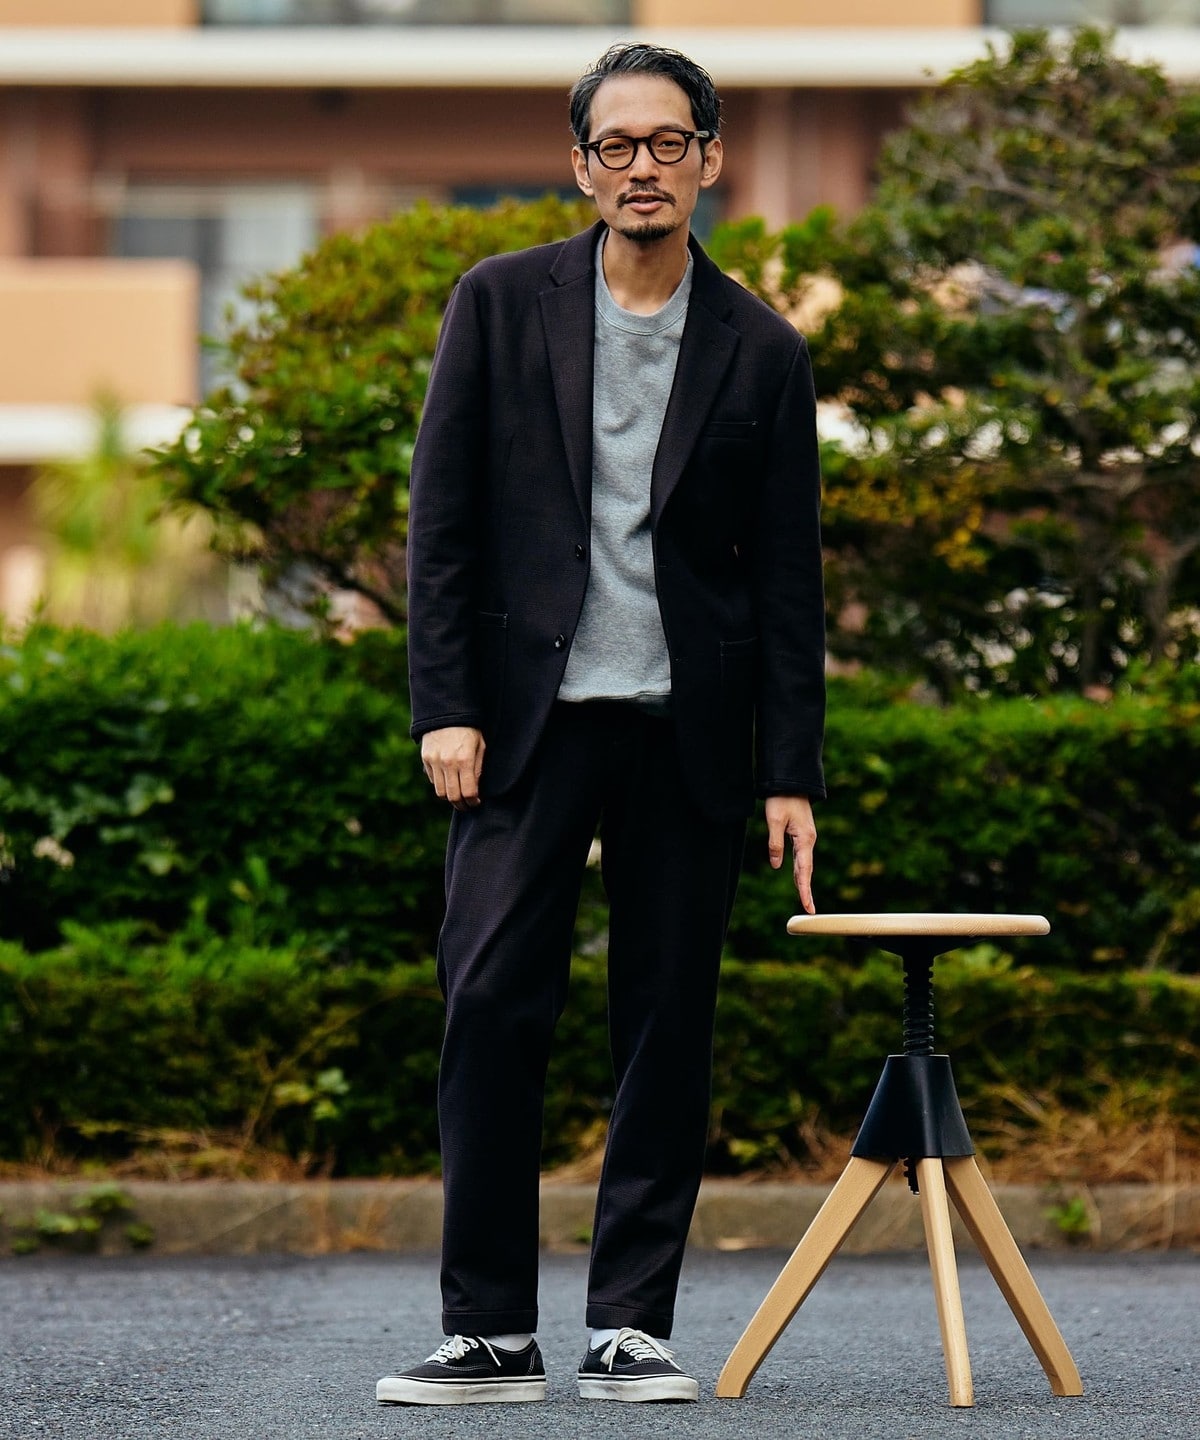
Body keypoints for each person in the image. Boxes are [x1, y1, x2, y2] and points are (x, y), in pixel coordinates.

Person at [376, 41, 825, 1408]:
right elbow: (444, 521)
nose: (644, 167)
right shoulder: (500, 303)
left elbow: (789, 577)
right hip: (526, 724)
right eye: (617, 145)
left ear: (710, 159)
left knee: (666, 1022)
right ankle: (489, 1330)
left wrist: (790, 771)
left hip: (688, 730)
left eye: (668, 143)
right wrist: (446, 705)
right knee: (488, 1001)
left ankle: (631, 1322)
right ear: (581, 165)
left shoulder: (764, 347)